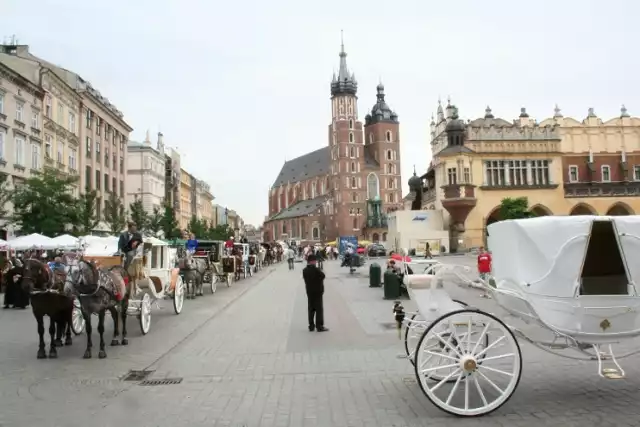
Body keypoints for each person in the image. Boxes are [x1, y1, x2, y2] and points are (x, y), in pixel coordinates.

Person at [303, 254, 328, 332]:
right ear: (313, 261)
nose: (316, 262)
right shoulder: (316, 270)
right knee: (319, 309)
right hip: (318, 292)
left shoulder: (304, 270)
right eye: (315, 261)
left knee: (311, 309)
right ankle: (319, 326)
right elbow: (323, 276)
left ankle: (311, 326)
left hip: (309, 292)